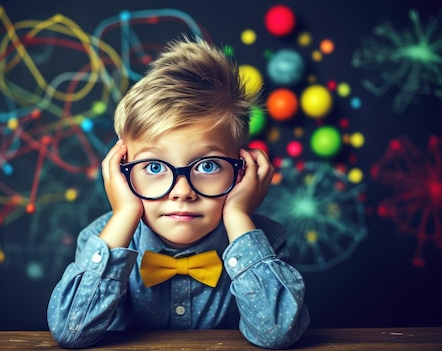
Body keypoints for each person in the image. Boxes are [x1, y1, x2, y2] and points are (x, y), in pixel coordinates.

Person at [47, 36, 310, 349]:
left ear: (242, 170)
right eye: (155, 168)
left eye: (208, 166)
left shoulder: (264, 239)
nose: (182, 191)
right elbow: (70, 333)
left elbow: (279, 333)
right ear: (120, 170)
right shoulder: (103, 239)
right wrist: (125, 213)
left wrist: (238, 215)